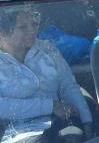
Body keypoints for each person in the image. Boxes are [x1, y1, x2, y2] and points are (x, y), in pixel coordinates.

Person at [0, 7, 93, 141]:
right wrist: (50, 106)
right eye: (23, 27)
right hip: (15, 134)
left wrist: (87, 122)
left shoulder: (47, 49)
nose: (32, 31)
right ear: (2, 31)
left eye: (34, 24)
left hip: (60, 127)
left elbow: (68, 86)